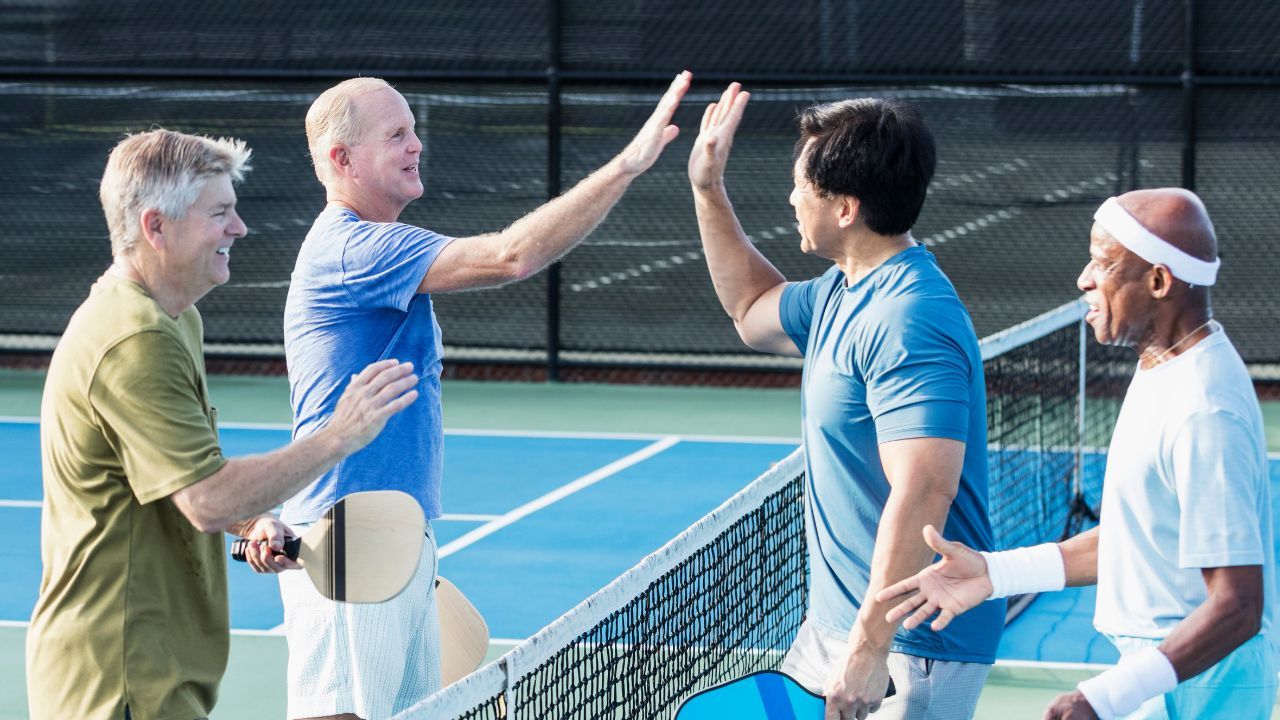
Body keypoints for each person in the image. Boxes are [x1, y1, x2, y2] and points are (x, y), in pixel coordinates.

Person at [279, 72, 691, 719]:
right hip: (352, 536)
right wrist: (626, 166)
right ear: (342, 159)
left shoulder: (372, 249)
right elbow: (511, 256)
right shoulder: (354, 249)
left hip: (389, 533)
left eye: (414, 130)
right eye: (396, 135)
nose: (416, 145)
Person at [26, 129, 420, 720]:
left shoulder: (174, 320)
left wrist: (254, 520)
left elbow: (180, 479)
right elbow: (207, 501)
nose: (238, 229)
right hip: (120, 680)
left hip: (158, 672)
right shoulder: (135, 339)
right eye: (220, 214)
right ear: (157, 228)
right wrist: (341, 434)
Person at [876, 188, 1276, 719]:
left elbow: (1238, 607)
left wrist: (1106, 697)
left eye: (1104, 263)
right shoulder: (1164, 368)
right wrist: (995, 574)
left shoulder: (1204, 410)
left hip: (1204, 683)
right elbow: (1136, 540)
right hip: (1173, 669)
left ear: (1158, 282)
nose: (1085, 278)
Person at [686, 85, 1004, 720]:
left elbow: (923, 493)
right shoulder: (843, 290)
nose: (792, 198)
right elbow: (751, 310)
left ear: (846, 208)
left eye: (802, 185)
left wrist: (869, 646)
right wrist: (707, 189)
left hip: (912, 646)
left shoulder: (909, 317)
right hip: (838, 625)